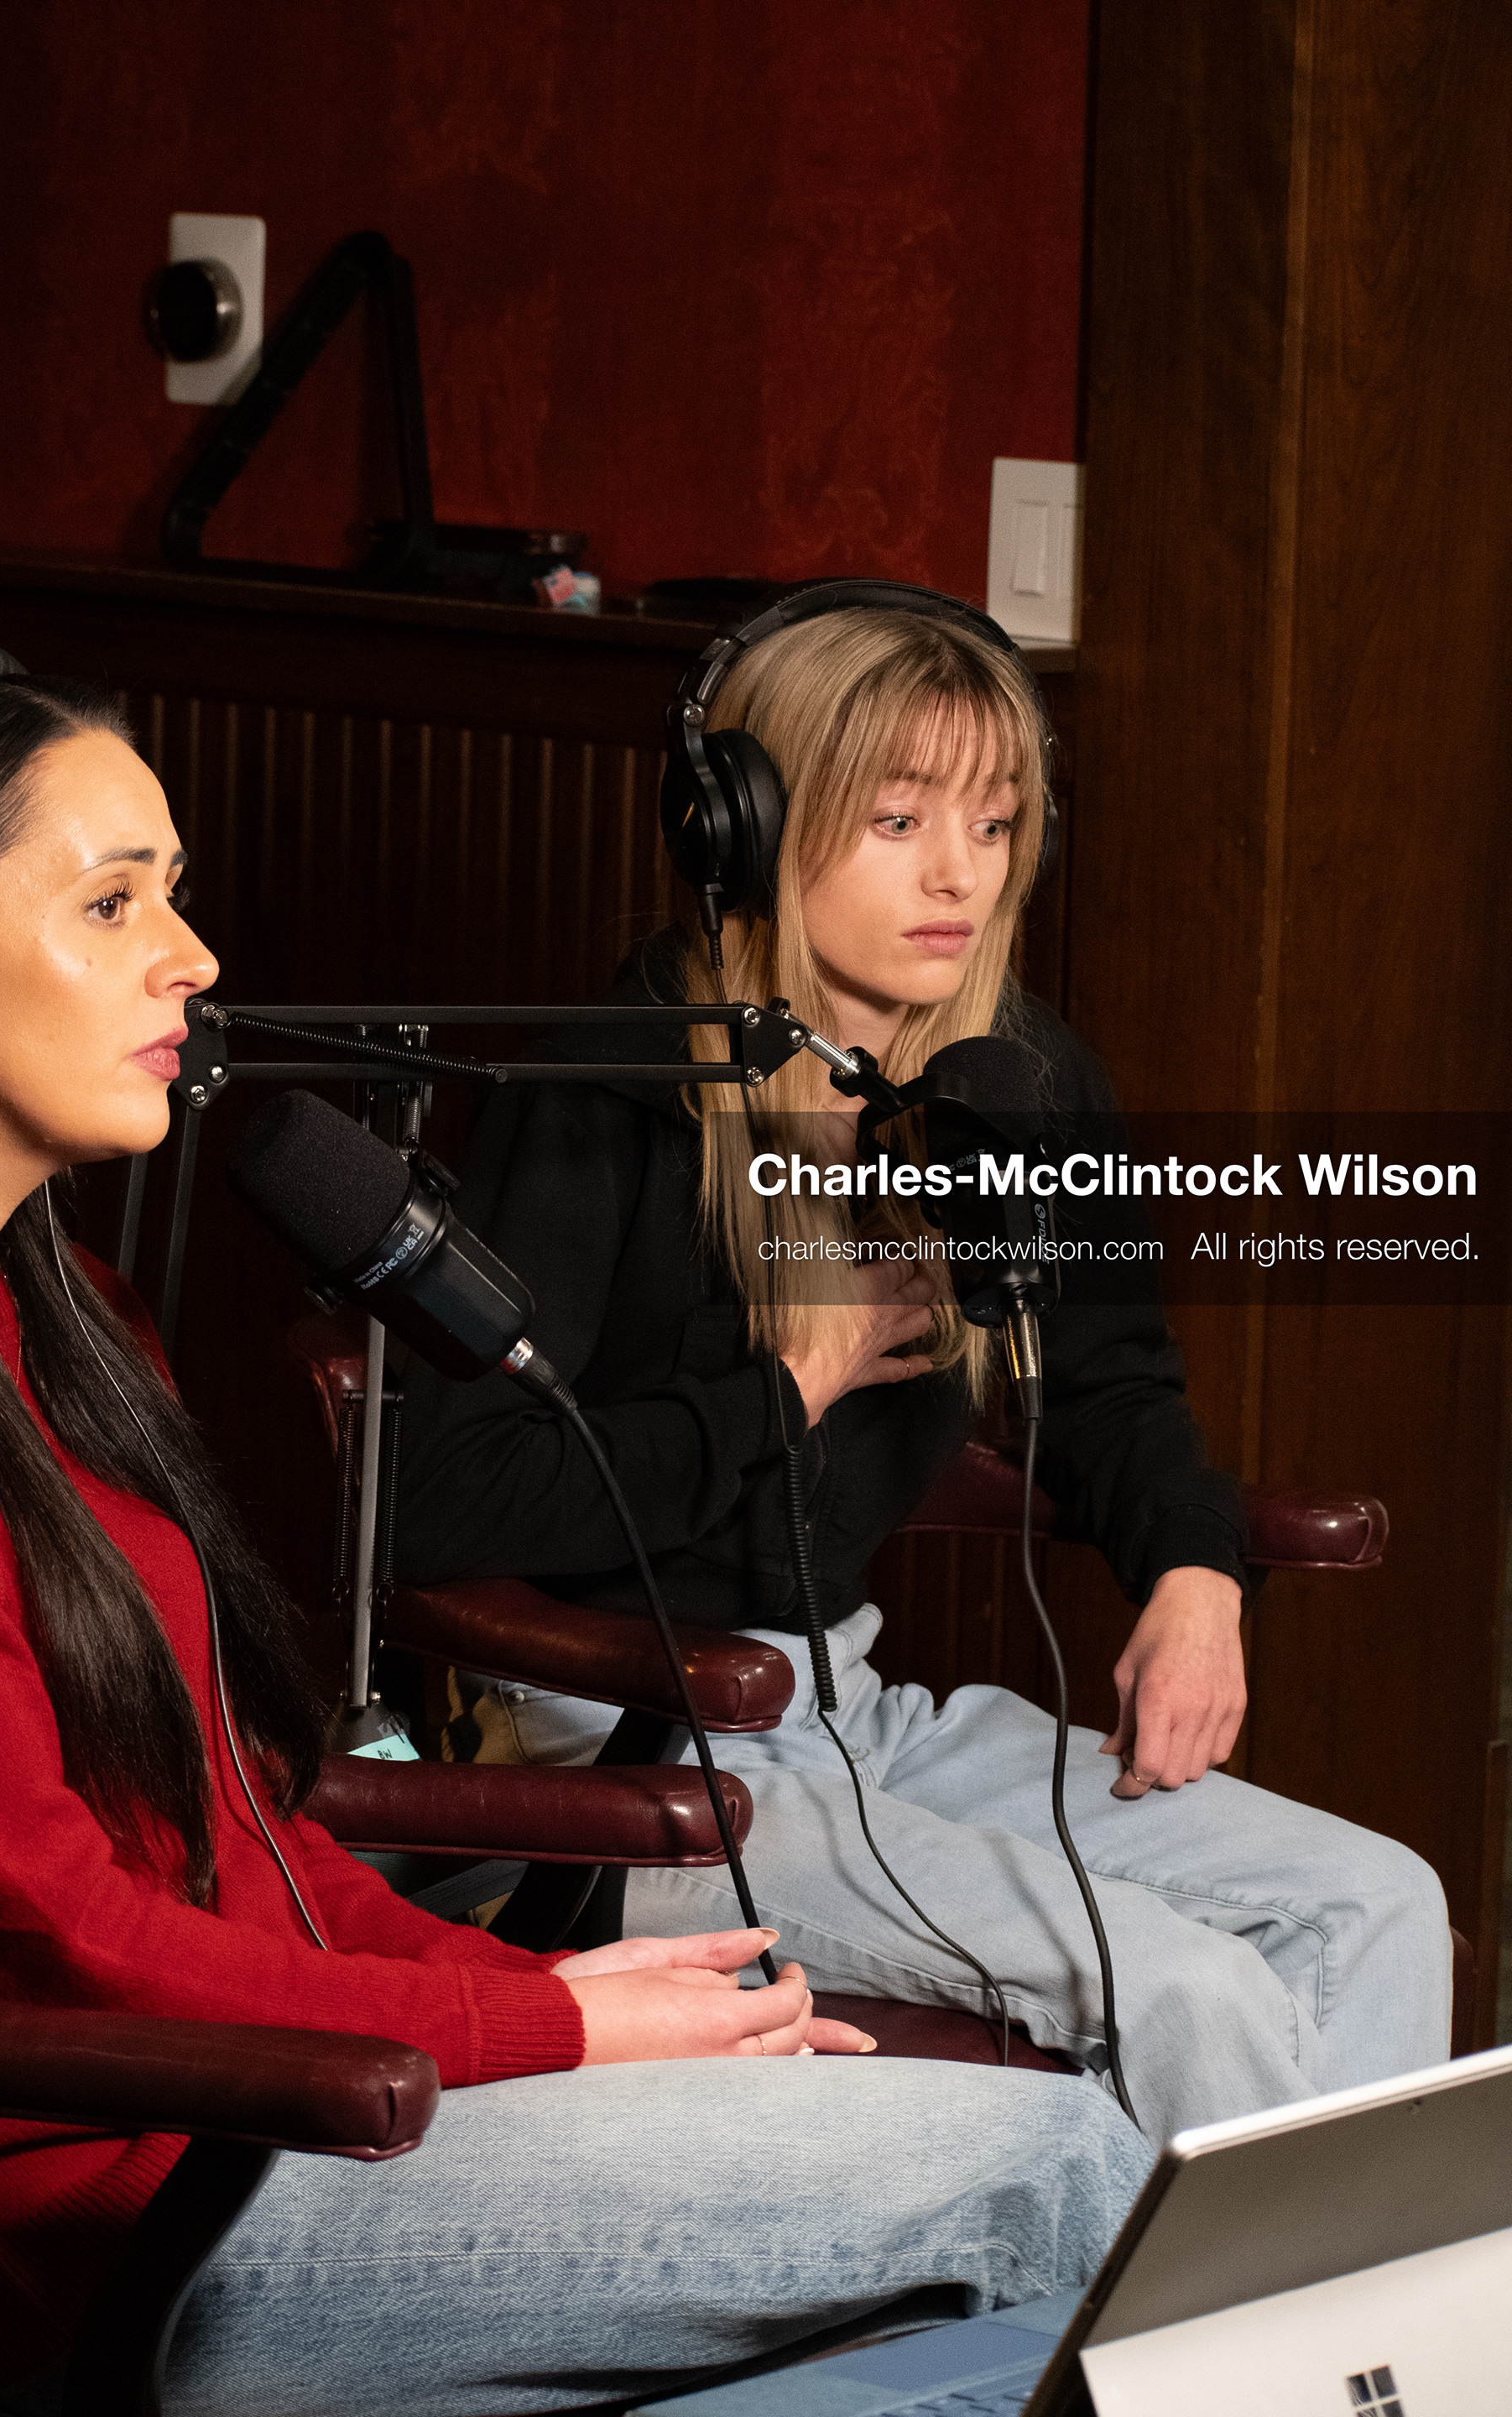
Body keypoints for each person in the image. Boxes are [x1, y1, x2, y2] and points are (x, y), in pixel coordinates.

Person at [0, 660, 1152, 2414]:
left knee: (947, 2330)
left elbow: (250, 1839)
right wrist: (556, 2035)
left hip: (274, 2113)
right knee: (1066, 2177)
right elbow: (66, 1942)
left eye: (173, 892)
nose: (188, 954)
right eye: (112, 904)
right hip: (134, 2215)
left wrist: (548, 1986)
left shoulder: (75, 1323)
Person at [393, 598, 1453, 2146]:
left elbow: (1113, 1380)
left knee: (1379, 1903)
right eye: (897, 820)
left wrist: (1194, 1574)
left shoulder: (1011, 1074)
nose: (961, 872)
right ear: (745, 825)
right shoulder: (608, 1085)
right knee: (1186, 1993)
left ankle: (1359, 2377)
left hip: (853, 1707)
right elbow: (449, 1496)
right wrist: (790, 1384)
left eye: (994, 821)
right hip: (629, 1752)